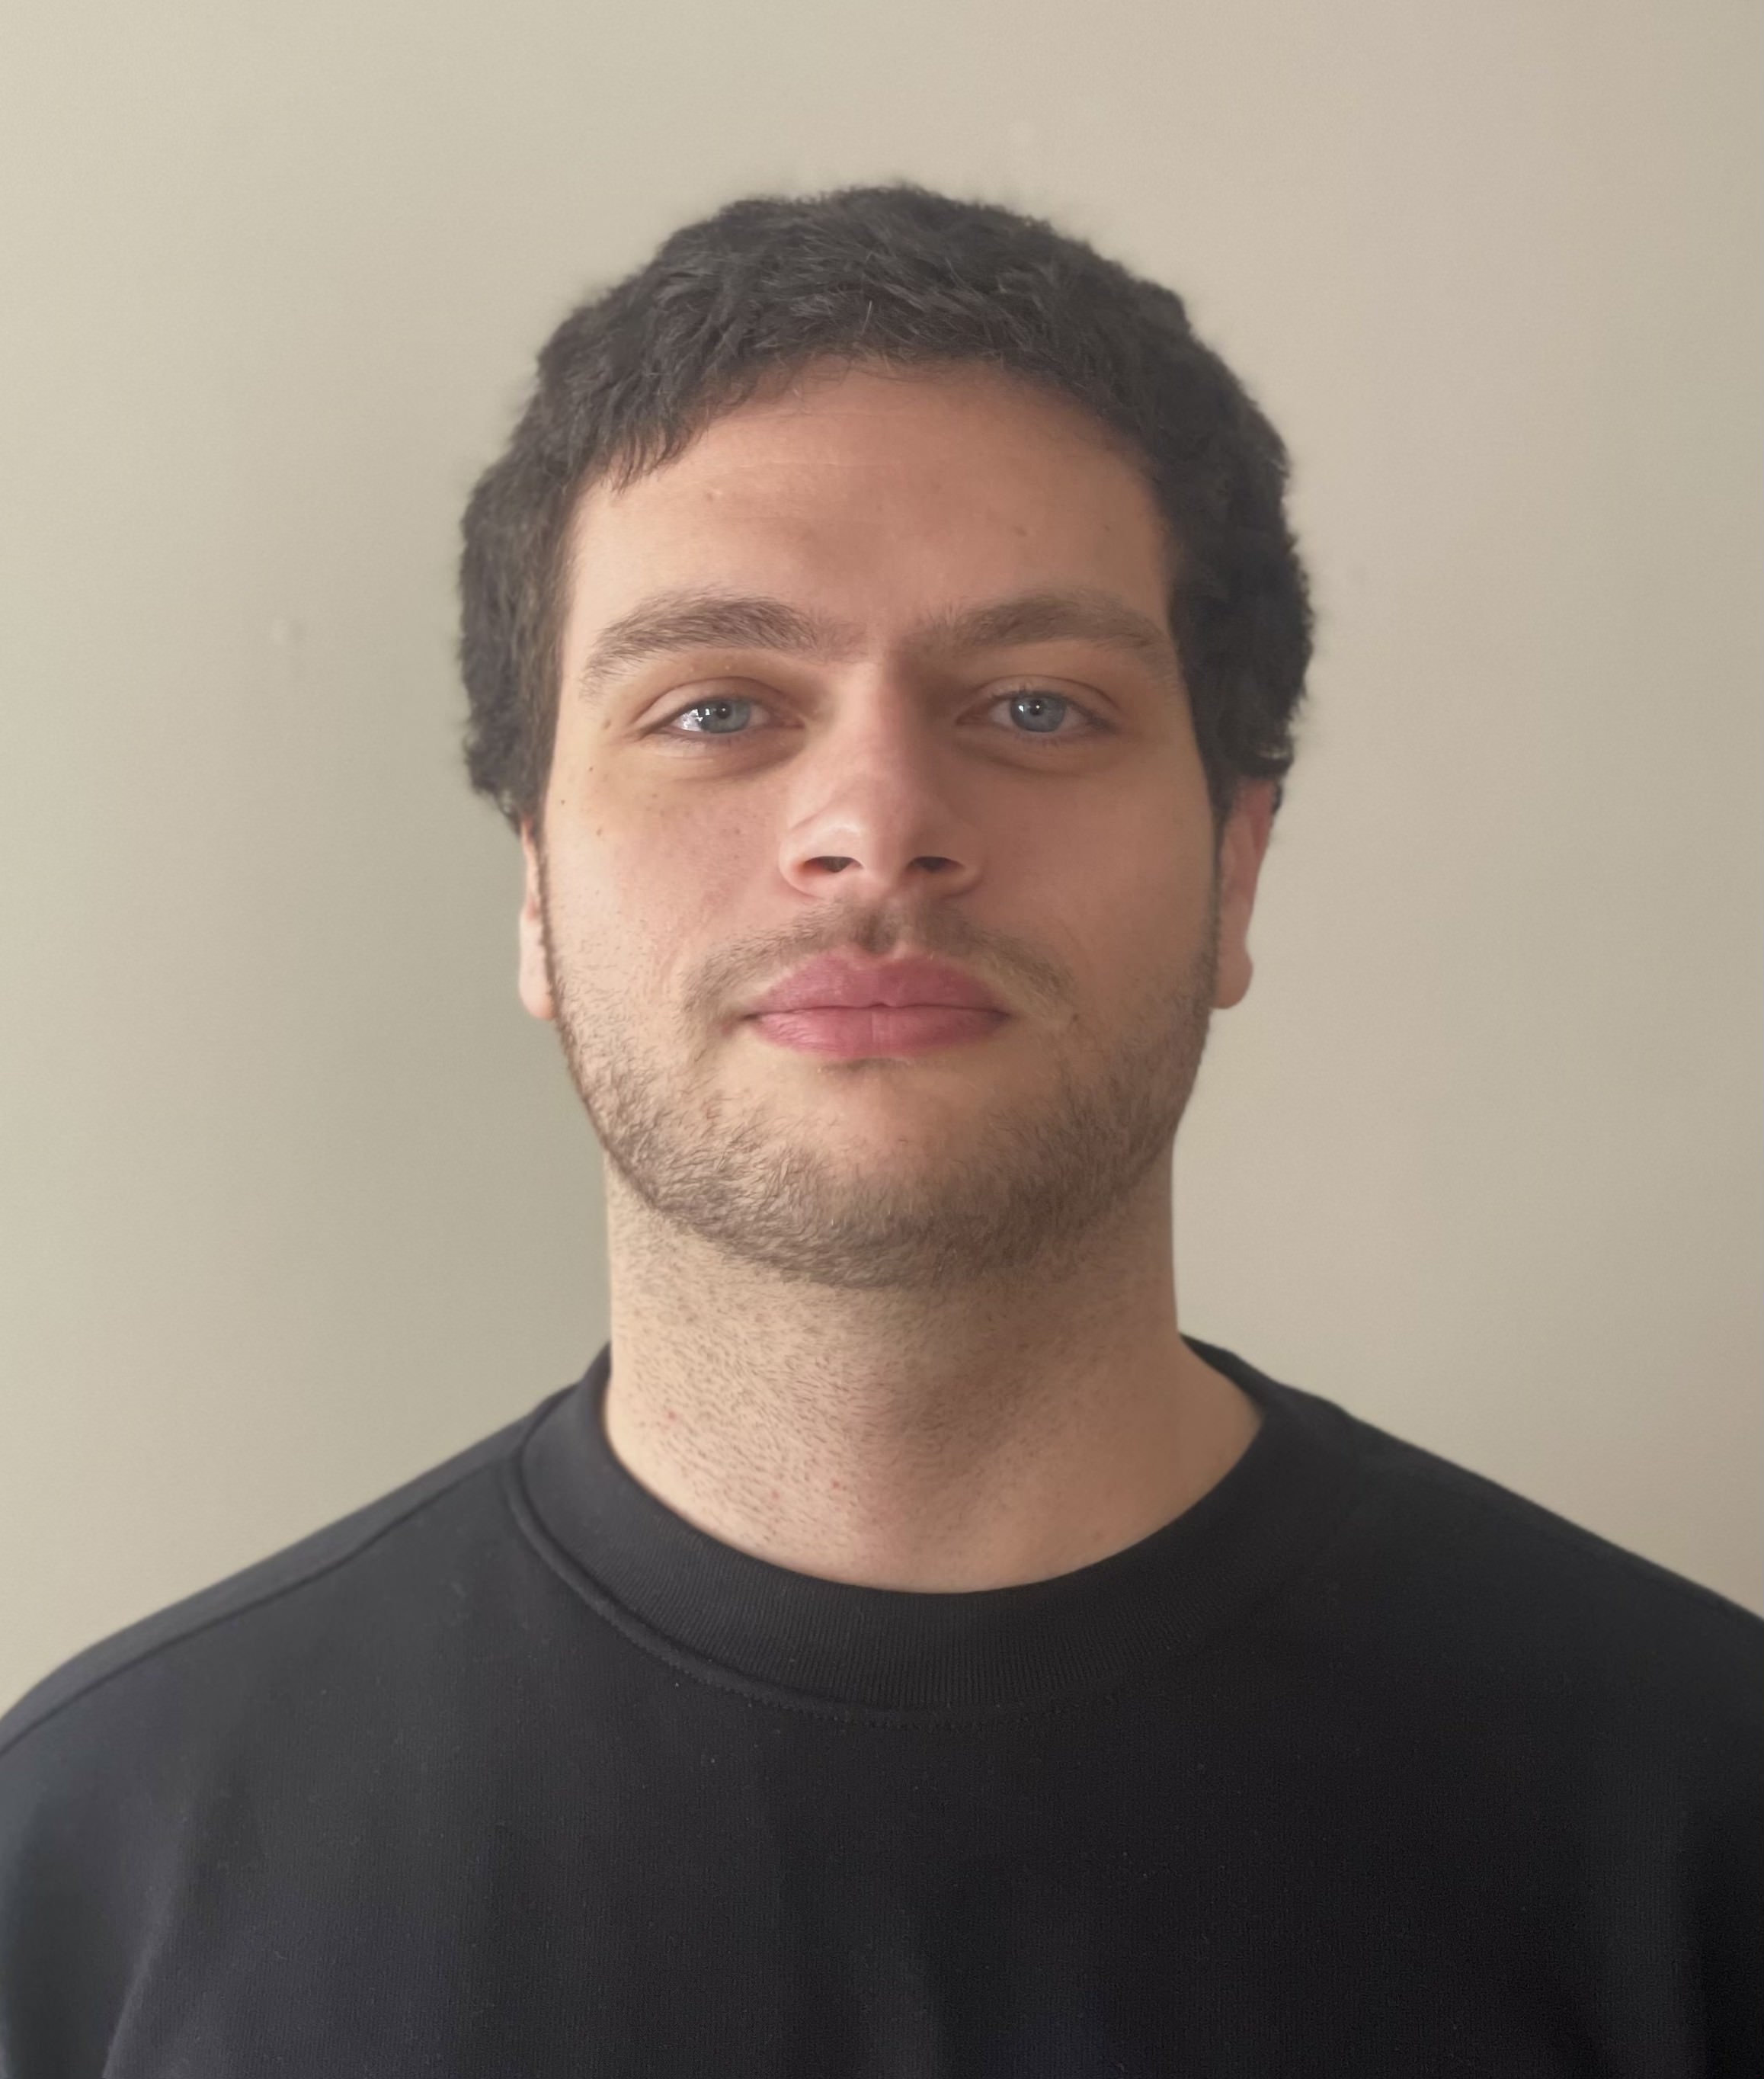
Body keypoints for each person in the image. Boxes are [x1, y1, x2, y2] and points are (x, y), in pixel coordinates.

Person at [1, 183, 1756, 2076]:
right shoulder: (94, 1879)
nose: (876, 823)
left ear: (1236, 866)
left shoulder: (1701, 1825)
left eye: (1036, 704)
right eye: (716, 708)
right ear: (534, 886)